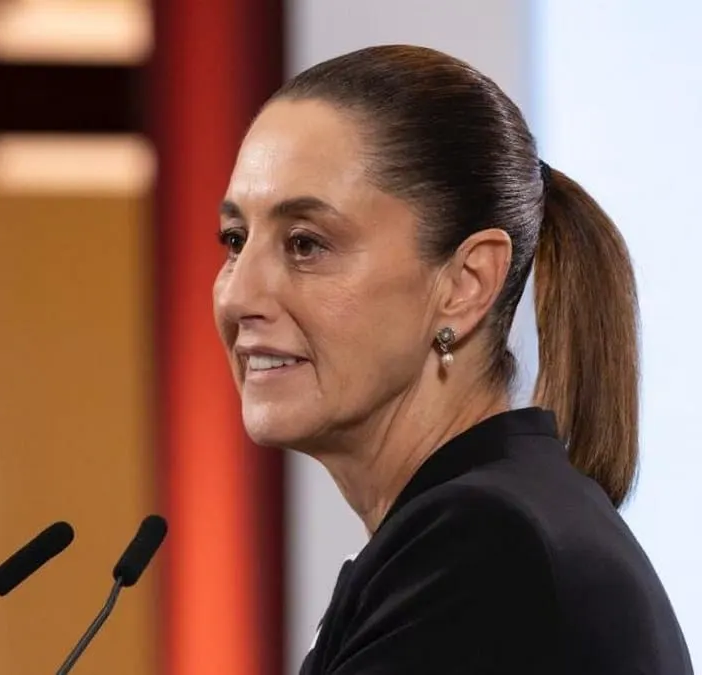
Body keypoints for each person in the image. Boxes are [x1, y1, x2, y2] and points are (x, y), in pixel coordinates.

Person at [213, 45, 693, 674]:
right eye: (235, 240)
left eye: (306, 244)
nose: (239, 296)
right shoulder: (493, 522)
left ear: (466, 284)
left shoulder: (485, 547)